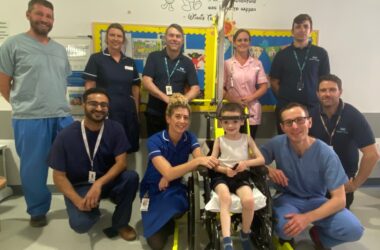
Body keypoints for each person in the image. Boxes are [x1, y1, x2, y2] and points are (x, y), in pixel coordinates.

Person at [0, 0, 74, 227]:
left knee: (76, 160)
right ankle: (38, 210)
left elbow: (62, 82)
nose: (45, 19)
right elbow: (4, 84)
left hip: (62, 115)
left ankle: (78, 202)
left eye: (49, 16)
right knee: (34, 168)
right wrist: (20, 107)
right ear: (28, 14)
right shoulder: (12, 45)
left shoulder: (60, 50)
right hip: (30, 118)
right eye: (40, 14)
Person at [260, 103, 363, 249]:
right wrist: (267, 169)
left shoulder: (326, 153)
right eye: (289, 122)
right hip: (287, 199)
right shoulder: (277, 143)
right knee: (285, 229)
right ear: (283, 127)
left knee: (354, 230)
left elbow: (340, 200)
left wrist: (306, 218)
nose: (295, 126)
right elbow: (253, 161)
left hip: (317, 199)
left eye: (300, 120)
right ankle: (287, 236)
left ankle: (320, 237)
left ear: (310, 122)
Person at [48, 88, 139, 241]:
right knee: (80, 224)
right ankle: (91, 210)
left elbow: (122, 163)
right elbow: (58, 176)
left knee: (131, 177)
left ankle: (121, 224)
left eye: (104, 105)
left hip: (106, 182)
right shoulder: (65, 136)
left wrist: (98, 183)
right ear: (84, 104)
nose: (99, 108)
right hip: (80, 186)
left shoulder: (115, 129)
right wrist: (77, 201)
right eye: (93, 104)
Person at [140, 93, 218, 250]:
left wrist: (202, 160)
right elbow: (170, 171)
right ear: (168, 118)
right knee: (156, 244)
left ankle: (169, 218)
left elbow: (200, 160)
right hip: (153, 187)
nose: (182, 121)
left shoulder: (190, 138)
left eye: (185, 117)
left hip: (174, 186)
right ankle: (163, 221)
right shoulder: (154, 141)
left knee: (178, 207)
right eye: (178, 116)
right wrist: (191, 164)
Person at [309, 74, 380, 209]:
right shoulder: (310, 116)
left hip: (342, 181)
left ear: (340, 92)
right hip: (316, 179)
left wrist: (355, 184)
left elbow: (372, 154)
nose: (327, 94)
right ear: (317, 93)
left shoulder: (353, 116)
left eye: (332, 90)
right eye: (323, 90)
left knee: (336, 217)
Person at [210, 102, 265, 250]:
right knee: (225, 198)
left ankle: (245, 232)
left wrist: (245, 163)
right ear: (220, 123)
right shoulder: (219, 140)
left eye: (235, 121)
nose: (230, 125)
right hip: (222, 176)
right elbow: (213, 163)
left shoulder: (247, 138)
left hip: (241, 175)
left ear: (242, 121)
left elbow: (261, 159)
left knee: (249, 201)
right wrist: (224, 170)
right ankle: (227, 239)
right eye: (226, 122)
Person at [83, 23, 141, 153]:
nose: (116, 38)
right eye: (112, 35)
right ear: (106, 38)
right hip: (105, 112)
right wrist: (89, 109)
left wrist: (136, 111)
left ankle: (124, 174)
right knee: (106, 149)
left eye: (119, 36)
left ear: (123, 40)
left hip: (127, 113)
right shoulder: (96, 59)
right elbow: (89, 86)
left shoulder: (129, 62)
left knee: (125, 150)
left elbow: (135, 88)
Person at [269, 14, 330, 134]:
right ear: (292, 31)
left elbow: (325, 82)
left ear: (310, 31)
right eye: (298, 27)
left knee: (311, 145)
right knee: (286, 145)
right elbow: (274, 81)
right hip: (286, 108)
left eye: (305, 26)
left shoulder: (320, 53)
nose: (302, 30)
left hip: (312, 109)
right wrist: (284, 97)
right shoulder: (282, 54)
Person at [142, 23, 200, 137]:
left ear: (182, 40)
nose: (174, 39)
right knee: (156, 148)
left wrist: (181, 101)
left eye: (178, 36)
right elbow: (146, 81)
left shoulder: (187, 62)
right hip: (155, 113)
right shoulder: (154, 57)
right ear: (165, 38)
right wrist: (165, 98)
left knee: (176, 149)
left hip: (178, 117)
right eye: (171, 35)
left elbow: (196, 88)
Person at [224, 29, 268, 139]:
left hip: (251, 110)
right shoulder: (227, 64)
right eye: (239, 40)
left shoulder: (257, 63)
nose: (243, 43)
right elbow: (220, 88)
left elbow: (264, 86)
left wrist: (250, 98)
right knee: (232, 142)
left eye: (245, 40)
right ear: (234, 43)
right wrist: (234, 100)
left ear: (250, 42)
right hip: (232, 110)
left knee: (249, 143)